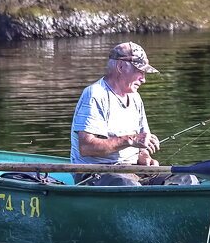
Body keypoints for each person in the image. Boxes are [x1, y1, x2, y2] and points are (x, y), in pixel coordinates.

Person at [69, 41, 197, 186]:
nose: (143, 79)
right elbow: (86, 147)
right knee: (129, 186)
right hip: (94, 173)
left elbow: (141, 144)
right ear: (121, 67)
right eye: (140, 72)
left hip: (131, 170)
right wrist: (130, 140)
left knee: (187, 178)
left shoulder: (135, 97)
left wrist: (144, 156)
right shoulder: (95, 94)